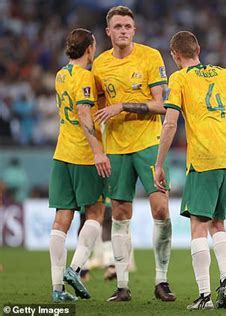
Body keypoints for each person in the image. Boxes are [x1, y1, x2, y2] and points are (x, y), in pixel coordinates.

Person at [154, 31, 226, 310]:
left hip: (203, 160)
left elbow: (170, 124)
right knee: (218, 223)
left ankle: (206, 295)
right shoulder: (225, 74)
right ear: (198, 49)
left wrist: (159, 164)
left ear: (175, 55)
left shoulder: (179, 78)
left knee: (198, 226)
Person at [92, 5, 174, 302]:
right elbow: (97, 108)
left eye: (128, 26)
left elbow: (161, 105)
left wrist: (123, 105)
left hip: (149, 144)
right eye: (118, 26)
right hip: (115, 148)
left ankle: (161, 280)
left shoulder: (151, 56)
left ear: (134, 30)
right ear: (108, 31)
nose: (123, 30)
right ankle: (123, 285)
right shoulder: (99, 66)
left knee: (161, 210)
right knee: (121, 214)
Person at [49, 28, 111, 302]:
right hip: (83, 155)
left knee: (61, 219)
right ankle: (75, 268)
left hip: (61, 154)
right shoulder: (85, 76)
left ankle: (57, 289)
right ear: (89, 48)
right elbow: (85, 113)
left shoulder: (61, 75)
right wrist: (98, 151)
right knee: (95, 213)